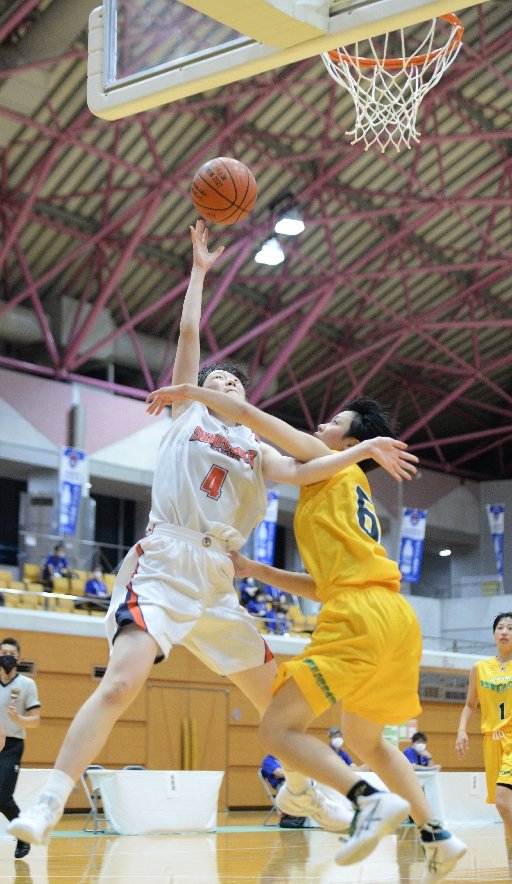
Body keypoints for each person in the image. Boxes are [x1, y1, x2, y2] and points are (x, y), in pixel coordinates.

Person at [8, 221, 412, 847]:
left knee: (281, 702)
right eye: (215, 381)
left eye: (234, 384)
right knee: (121, 683)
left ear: (244, 399)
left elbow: (307, 469)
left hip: (220, 579)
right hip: (167, 562)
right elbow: (189, 336)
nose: (223, 385)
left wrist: (362, 452)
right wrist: (198, 272)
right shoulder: (186, 413)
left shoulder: (256, 448)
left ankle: (305, 791)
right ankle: (49, 802)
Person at [141, 382, 467, 881]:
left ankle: (369, 801)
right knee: (367, 741)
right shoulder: (349, 486)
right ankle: (437, 834)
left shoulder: (329, 461)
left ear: (348, 442)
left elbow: (252, 415)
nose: (319, 426)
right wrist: (258, 570)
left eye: (333, 423)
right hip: (395, 618)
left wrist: (191, 392)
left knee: (277, 730)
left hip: (359, 615)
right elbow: (322, 585)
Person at [456, 612, 512, 849]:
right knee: (504, 806)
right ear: (493, 634)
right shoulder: (479, 668)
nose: (504, 632)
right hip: (491, 741)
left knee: (502, 800)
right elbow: (470, 705)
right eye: (500, 627)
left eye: (510, 628)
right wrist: (461, 730)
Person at [0, 637, 41, 859]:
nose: (7, 656)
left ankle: (23, 835)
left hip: (12, 745)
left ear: (19, 658)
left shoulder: (26, 685)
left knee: (2, 797)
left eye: (11, 654)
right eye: (3, 652)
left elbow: (35, 720)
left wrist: (19, 718)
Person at [261, 753, 306, 828]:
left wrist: (287, 773)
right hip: (282, 784)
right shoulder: (268, 760)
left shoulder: (286, 759)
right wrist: (292, 772)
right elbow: (279, 773)